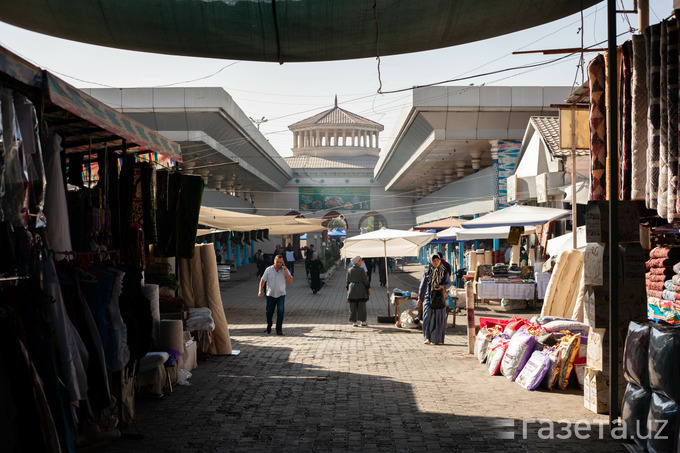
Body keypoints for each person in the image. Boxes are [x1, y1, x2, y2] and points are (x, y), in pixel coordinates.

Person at [417, 253, 452, 345]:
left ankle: (438, 339)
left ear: (440, 261)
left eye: (437, 260)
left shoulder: (444, 272)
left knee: (439, 319)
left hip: (440, 298)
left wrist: (442, 286)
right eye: (434, 260)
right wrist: (420, 298)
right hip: (429, 297)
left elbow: (449, 283)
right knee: (427, 316)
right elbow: (422, 286)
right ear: (431, 261)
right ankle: (427, 337)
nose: (436, 262)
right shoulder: (427, 272)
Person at [258, 254, 293, 335]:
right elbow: (262, 280)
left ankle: (279, 329)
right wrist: (260, 291)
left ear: (283, 262)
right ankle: (269, 324)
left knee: (280, 312)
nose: (279, 264)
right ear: (274, 261)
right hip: (270, 294)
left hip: (281, 294)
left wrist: (286, 272)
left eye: (281, 262)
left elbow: (290, 281)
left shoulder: (285, 270)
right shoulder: (268, 270)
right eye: (277, 262)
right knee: (269, 312)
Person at [346, 256, 370, 327]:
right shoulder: (361, 270)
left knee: (352, 306)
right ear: (357, 262)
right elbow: (365, 280)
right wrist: (368, 289)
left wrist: (347, 290)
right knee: (361, 305)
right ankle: (363, 321)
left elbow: (347, 281)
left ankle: (354, 321)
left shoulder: (349, 270)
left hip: (351, 289)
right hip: (361, 288)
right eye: (361, 261)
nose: (362, 262)